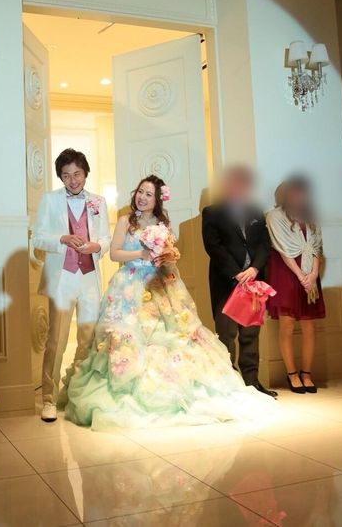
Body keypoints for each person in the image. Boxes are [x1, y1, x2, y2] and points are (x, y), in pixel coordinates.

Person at [64, 176, 276, 430]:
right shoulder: (125, 221)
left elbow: (171, 255)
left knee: (177, 336)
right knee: (128, 336)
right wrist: (142, 254)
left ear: (157, 200)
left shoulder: (162, 223)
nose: (142, 197)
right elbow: (115, 253)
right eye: (140, 192)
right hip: (130, 285)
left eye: (148, 194)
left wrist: (166, 256)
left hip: (160, 283)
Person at [32, 149, 111, 422]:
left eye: (77, 174)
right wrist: (62, 239)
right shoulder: (50, 200)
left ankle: (75, 393)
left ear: (85, 173)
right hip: (62, 280)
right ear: (61, 177)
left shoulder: (98, 201)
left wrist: (96, 246)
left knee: (87, 340)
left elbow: (106, 238)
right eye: (66, 176)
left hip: (89, 279)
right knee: (56, 340)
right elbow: (38, 238)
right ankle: (48, 398)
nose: (73, 180)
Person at [201, 166, 277, 398]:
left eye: (241, 183)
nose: (237, 187)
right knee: (226, 335)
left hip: (254, 283)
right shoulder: (212, 212)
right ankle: (229, 387)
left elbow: (264, 244)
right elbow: (213, 246)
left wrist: (254, 269)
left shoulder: (256, 211)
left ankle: (252, 383)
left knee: (250, 335)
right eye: (232, 183)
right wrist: (236, 273)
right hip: (227, 283)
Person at [266, 176, 325, 393]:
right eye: (294, 192)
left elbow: (317, 247)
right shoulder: (274, 216)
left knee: (309, 326)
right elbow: (282, 248)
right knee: (287, 325)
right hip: (286, 272)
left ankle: (307, 373)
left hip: (310, 275)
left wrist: (314, 274)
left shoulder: (311, 216)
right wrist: (300, 275)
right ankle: (292, 374)